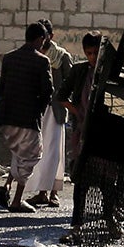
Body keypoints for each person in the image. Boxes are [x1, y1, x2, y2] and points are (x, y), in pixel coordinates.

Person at [58, 33, 123, 244]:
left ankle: (109, 221)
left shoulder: (112, 73)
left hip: (106, 135)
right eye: (89, 53)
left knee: (108, 182)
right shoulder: (79, 71)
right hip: (83, 135)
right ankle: (77, 225)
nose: (93, 57)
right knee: (81, 182)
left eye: (96, 53)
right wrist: (76, 112)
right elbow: (60, 96)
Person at [0, 22, 54, 213]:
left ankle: (7, 186)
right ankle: (17, 200)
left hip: (7, 117)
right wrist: (40, 110)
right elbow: (48, 91)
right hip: (28, 118)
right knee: (30, 157)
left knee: (18, 154)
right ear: (39, 39)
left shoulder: (10, 58)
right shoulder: (42, 61)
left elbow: (2, 86)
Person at [30, 19, 76, 207]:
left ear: (51, 36)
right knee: (40, 150)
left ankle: (53, 192)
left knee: (55, 151)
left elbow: (71, 84)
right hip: (38, 109)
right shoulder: (33, 55)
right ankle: (41, 191)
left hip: (56, 110)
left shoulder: (62, 56)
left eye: (45, 35)